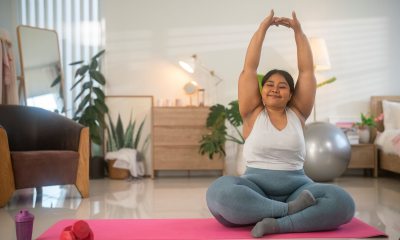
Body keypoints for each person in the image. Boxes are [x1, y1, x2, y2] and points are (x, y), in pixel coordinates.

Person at [206, 10, 355, 238]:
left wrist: (298, 32)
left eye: (282, 85)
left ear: (290, 94)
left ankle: (277, 224)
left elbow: (307, 71)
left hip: (299, 189)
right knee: (219, 193)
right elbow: (249, 69)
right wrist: (262, 30)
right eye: (269, 85)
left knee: (343, 202)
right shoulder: (252, 113)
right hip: (255, 188)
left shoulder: (298, 113)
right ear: (262, 92)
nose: (275, 88)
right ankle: (288, 212)